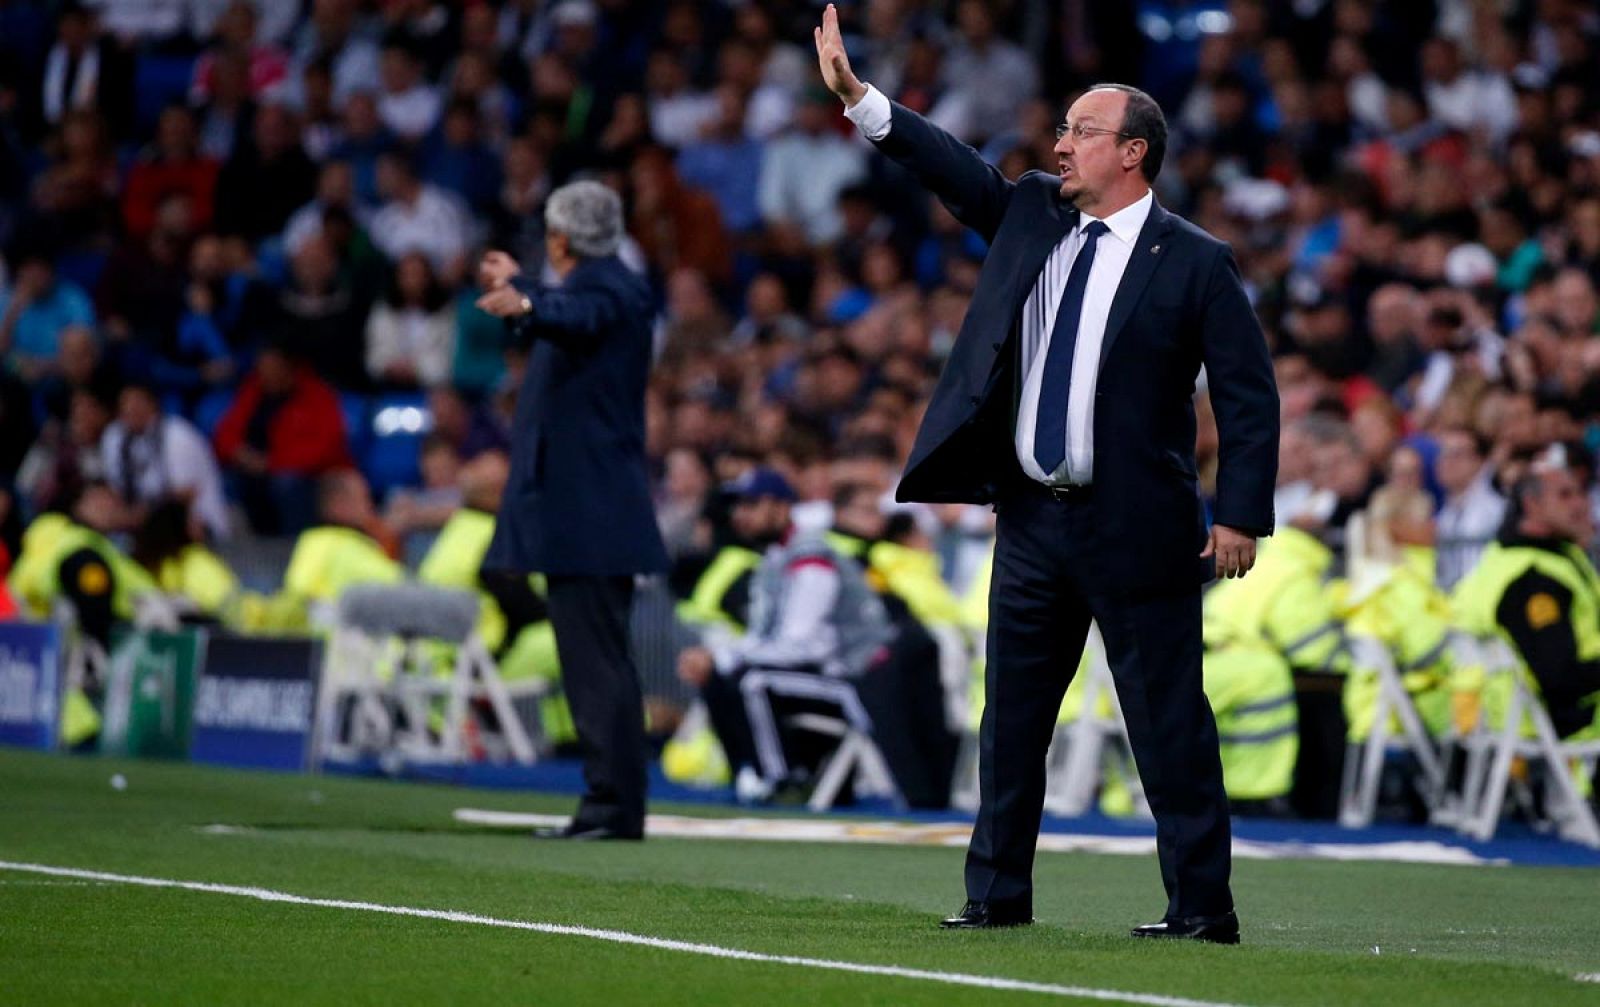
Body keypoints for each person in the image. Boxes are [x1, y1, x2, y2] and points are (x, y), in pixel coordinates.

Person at [815, 5, 1278, 941]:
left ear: (1135, 153)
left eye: (1082, 131)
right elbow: (950, 170)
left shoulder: (1194, 262)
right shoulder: (1031, 214)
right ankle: (996, 896)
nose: (1060, 143)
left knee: (1167, 722)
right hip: (1031, 518)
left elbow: (1248, 396)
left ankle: (1202, 906)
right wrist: (866, 102)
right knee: (1011, 719)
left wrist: (1240, 515)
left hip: (1139, 523)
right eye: (1064, 128)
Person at [475, 180, 668, 841]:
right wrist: (528, 285)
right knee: (596, 664)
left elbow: (578, 312)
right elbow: (568, 307)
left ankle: (613, 807)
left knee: (597, 667)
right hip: (587, 517)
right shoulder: (599, 287)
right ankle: (611, 802)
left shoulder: (612, 288)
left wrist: (529, 293)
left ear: (560, 239)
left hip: (591, 518)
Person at [1452, 453, 1600, 743]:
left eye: (1581, 493)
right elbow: (1560, 677)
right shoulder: (1533, 579)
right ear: (1532, 505)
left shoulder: (1510, 560)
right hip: (1560, 723)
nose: (1581, 504)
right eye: (1565, 495)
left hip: (1511, 722)